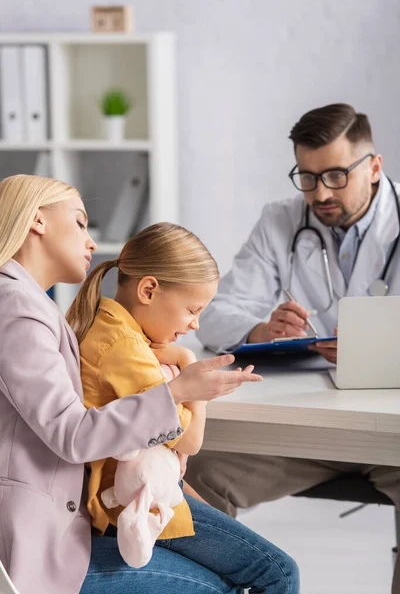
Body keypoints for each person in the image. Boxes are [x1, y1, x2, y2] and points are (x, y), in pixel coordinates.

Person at [0, 174, 268, 594]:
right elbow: (72, 434)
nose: (91, 241)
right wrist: (179, 391)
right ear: (37, 221)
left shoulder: (34, 308)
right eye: (80, 222)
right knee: (244, 580)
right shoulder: (16, 309)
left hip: (67, 521)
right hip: (41, 541)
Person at [185, 103, 400, 593]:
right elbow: (215, 315)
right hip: (310, 432)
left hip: (393, 435)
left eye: (336, 175)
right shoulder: (280, 220)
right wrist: (261, 329)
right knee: (198, 470)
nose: (319, 192)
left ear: (374, 167)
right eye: (306, 176)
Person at [65, 221, 300, 594]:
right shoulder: (124, 348)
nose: (195, 323)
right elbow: (188, 441)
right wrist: (191, 371)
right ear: (149, 290)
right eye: (192, 309)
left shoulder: (113, 329)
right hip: (133, 505)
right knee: (279, 573)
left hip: (149, 491)